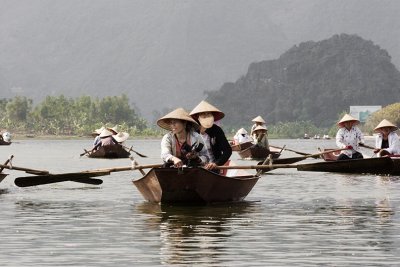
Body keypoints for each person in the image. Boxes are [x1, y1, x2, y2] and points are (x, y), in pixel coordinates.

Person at [189, 100, 232, 171]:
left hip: (212, 168)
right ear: (198, 117)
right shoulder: (192, 131)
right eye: (203, 115)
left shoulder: (216, 130)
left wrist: (216, 164)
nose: (207, 117)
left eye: (209, 114)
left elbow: (227, 150)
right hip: (196, 167)